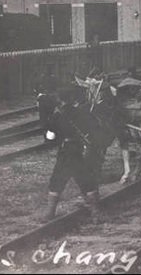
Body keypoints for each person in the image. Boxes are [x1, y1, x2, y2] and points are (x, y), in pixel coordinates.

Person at [41, 86, 103, 223]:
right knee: (86, 180)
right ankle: (96, 214)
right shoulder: (81, 113)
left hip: (64, 152)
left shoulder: (57, 115)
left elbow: (50, 137)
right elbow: (93, 128)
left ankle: (49, 213)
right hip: (78, 151)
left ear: (59, 100)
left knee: (56, 181)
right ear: (71, 99)